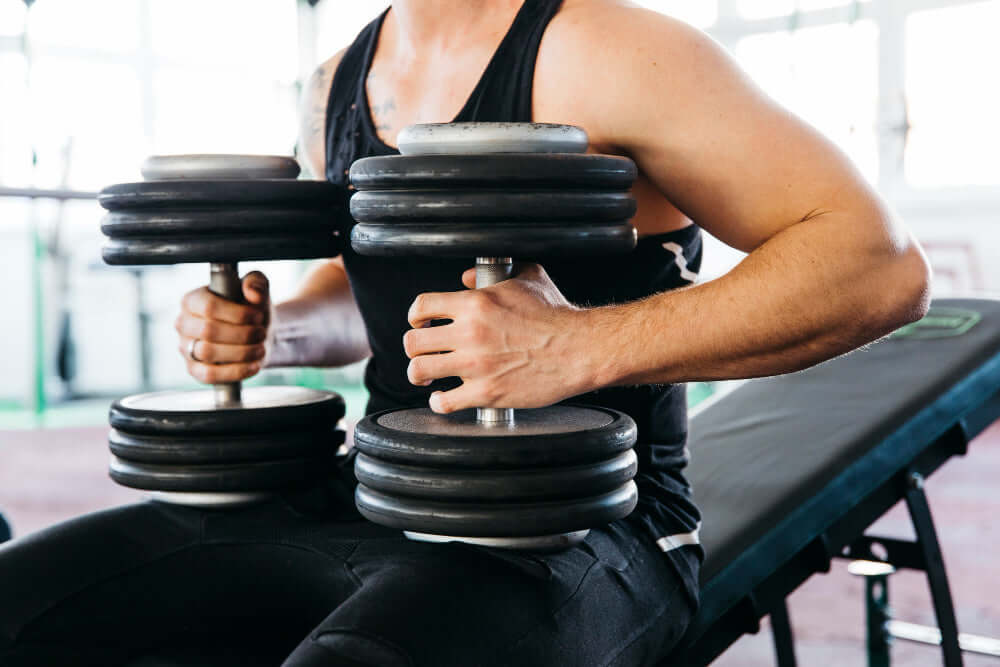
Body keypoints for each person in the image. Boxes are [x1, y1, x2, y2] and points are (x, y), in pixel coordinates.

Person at [0, 1, 929, 665]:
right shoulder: (339, 80)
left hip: (587, 532)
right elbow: (362, 285)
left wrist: (570, 346)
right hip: (362, 495)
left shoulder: (610, 50)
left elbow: (876, 263)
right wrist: (275, 335)